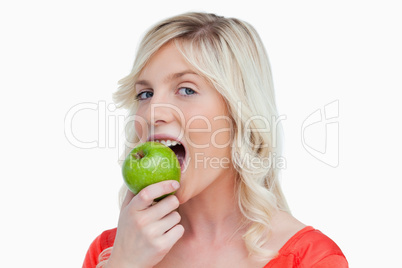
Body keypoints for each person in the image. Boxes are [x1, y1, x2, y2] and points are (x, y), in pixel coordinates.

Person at [83, 12, 348, 267]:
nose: (152, 113)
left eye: (186, 89)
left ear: (238, 113)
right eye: (145, 94)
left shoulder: (311, 259)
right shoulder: (110, 251)